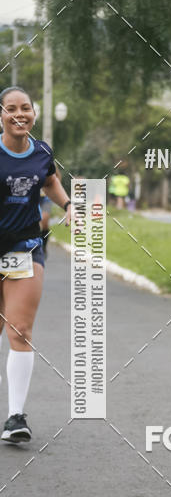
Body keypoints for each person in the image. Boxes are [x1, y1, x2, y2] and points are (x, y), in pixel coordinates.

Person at [0, 86, 71, 443]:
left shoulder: (41, 151)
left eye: (25, 108)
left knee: (21, 330)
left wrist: (69, 206)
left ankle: (15, 417)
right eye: (11, 108)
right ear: (1, 114)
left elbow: (50, 181)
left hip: (25, 248)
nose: (19, 114)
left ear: (34, 112)